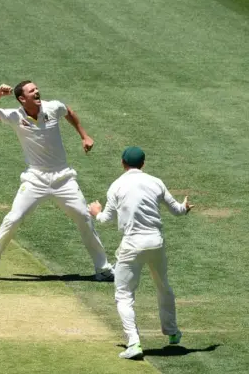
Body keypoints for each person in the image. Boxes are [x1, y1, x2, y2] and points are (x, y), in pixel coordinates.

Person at [0, 81, 114, 281]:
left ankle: (104, 268)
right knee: (12, 219)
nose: (37, 91)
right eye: (31, 91)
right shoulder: (15, 116)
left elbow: (68, 111)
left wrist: (84, 135)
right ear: (22, 98)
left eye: (36, 88)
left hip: (63, 177)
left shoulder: (53, 107)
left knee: (84, 216)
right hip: (35, 179)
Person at [88, 146, 194, 359]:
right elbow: (177, 210)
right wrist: (185, 207)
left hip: (132, 245)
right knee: (163, 287)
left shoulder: (116, 185)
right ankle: (172, 332)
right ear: (143, 164)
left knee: (124, 294)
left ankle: (134, 343)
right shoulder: (156, 182)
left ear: (122, 163)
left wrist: (95, 213)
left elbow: (106, 219)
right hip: (156, 242)